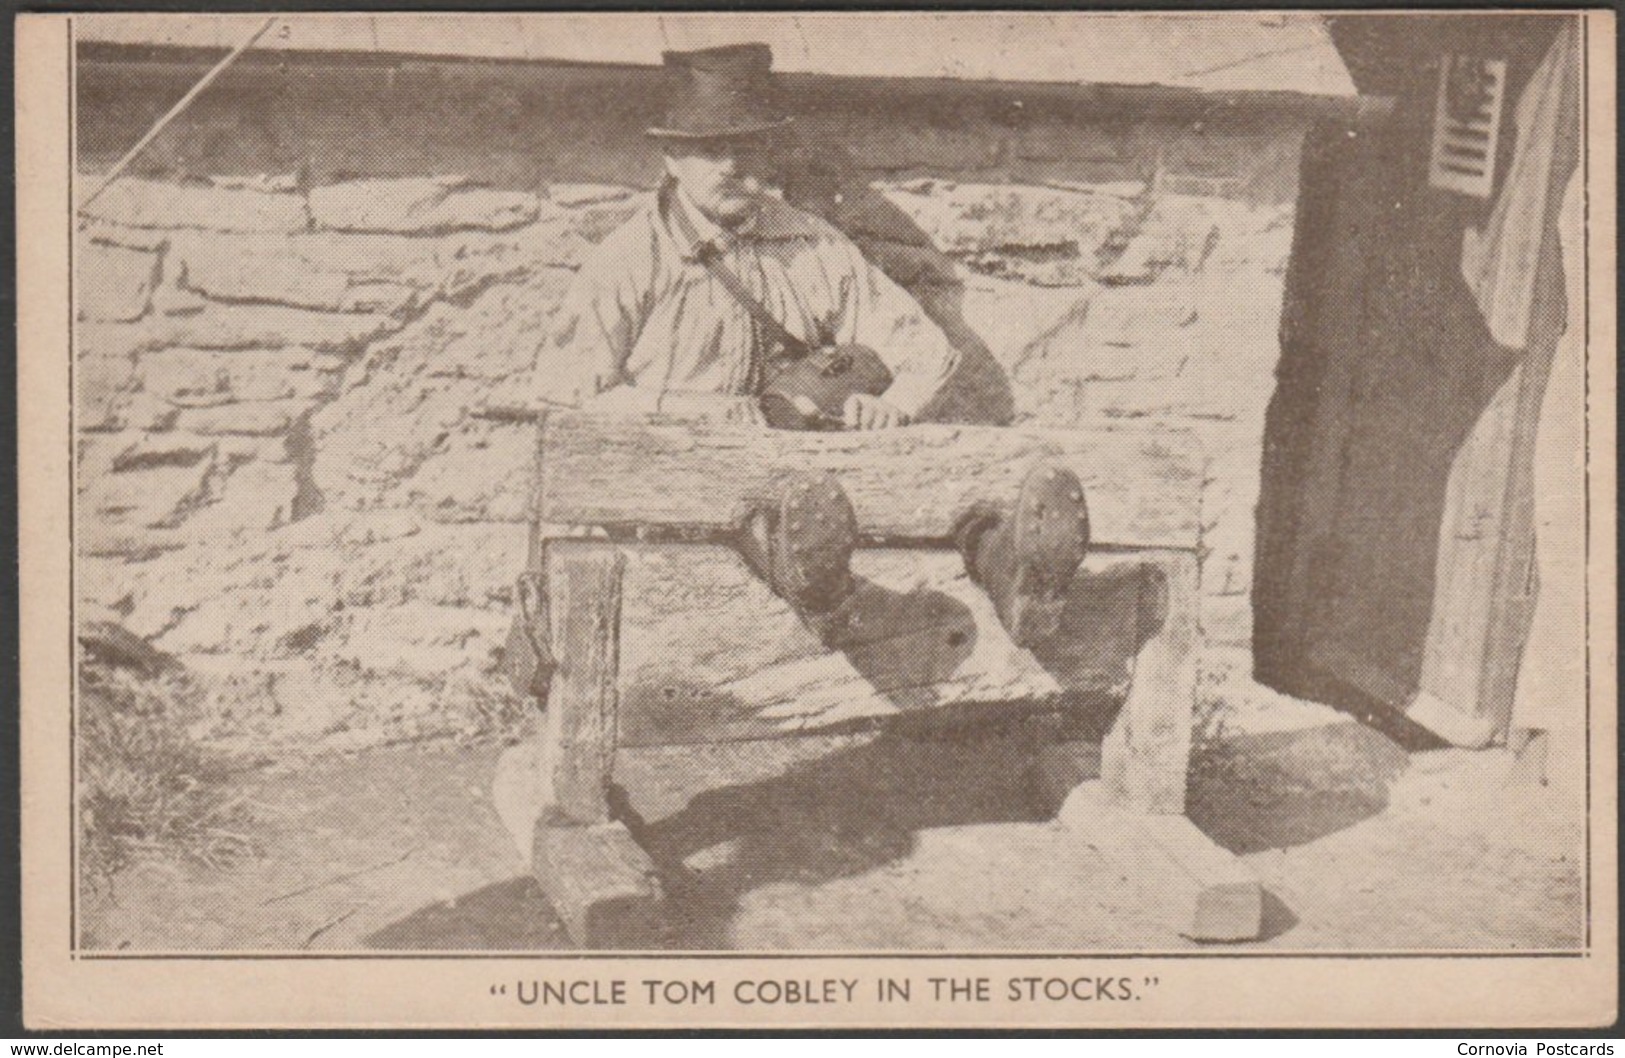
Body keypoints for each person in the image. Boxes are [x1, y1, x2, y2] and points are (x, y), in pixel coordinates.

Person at [533, 42, 1088, 646]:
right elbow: (566, 391)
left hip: (814, 482)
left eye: (747, 149)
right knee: (781, 519)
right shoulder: (631, 259)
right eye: (711, 152)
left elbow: (923, 348)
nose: (732, 168)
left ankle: (1012, 573)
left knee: (938, 477)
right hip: (689, 482)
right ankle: (819, 587)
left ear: (770, 153)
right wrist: (679, 410)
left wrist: (894, 404)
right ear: (672, 157)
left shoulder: (812, 246)